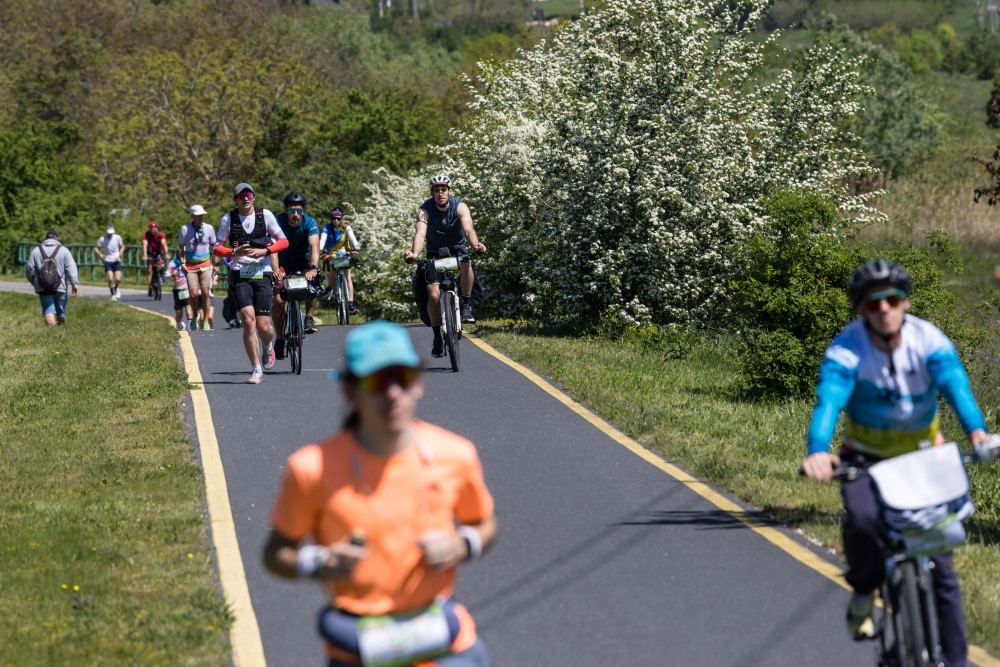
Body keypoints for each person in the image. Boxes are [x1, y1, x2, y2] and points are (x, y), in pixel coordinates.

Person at [262, 321, 497, 666]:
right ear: (350, 391)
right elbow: (275, 553)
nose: (392, 394)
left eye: (402, 378)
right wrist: (320, 562)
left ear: (418, 382)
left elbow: (485, 524)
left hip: (446, 647)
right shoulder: (310, 468)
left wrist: (462, 545)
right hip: (356, 647)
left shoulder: (455, 454)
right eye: (376, 381)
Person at [801, 259, 988, 666]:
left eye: (892, 299)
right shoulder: (847, 349)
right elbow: (829, 399)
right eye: (872, 304)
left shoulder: (928, 340)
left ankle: (955, 661)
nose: (883, 308)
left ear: (905, 302)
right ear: (861, 311)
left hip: (923, 457)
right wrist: (818, 448)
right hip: (866, 460)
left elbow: (954, 384)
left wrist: (976, 431)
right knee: (865, 525)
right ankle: (865, 589)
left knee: (942, 569)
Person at [403, 174, 486, 358]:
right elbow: (420, 234)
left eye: (443, 190)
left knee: (467, 262)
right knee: (433, 296)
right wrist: (414, 254)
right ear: (432, 193)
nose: (440, 193)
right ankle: (437, 338)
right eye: (436, 190)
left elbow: (468, 229)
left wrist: (475, 245)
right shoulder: (424, 210)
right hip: (435, 253)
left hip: (457, 250)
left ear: (450, 191)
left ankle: (465, 304)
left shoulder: (460, 206)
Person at [213, 183, 288, 384]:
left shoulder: (266, 216)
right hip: (240, 273)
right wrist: (232, 252)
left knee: (264, 326)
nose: (245, 198)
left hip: (262, 272)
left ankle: (268, 346)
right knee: (247, 320)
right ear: (236, 199)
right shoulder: (228, 218)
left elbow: (283, 241)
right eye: (241, 196)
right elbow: (217, 248)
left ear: (253, 197)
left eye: (248, 195)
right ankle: (256, 369)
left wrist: (265, 251)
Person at [270, 192, 321, 361]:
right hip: (283, 262)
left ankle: (308, 316)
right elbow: (273, 248)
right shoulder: (277, 221)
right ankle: (279, 339)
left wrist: (313, 268)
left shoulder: (310, 222)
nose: (296, 214)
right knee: (278, 300)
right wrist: (276, 270)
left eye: (299, 210)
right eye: (292, 210)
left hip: (302, 262)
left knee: (312, 283)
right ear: (286, 211)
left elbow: (314, 246)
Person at [25, 230, 79, 327]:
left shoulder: (36, 250)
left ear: (46, 239)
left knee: (48, 311)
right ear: (57, 239)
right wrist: (74, 284)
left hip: (43, 287)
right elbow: (72, 269)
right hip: (61, 287)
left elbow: (29, 269)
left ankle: (52, 336)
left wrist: (34, 282)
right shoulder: (64, 251)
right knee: (61, 313)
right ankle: (61, 335)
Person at [179, 205, 218, 330]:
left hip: (206, 265)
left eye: (202, 215)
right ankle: (194, 316)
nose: (201, 217)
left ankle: (205, 319)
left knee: (206, 293)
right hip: (191, 266)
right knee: (194, 294)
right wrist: (182, 263)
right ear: (192, 216)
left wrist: (215, 264)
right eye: (198, 215)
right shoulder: (185, 229)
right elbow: (181, 248)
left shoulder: (209, 228)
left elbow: (214, 247)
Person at [320, 207, 361, 315]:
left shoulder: (346, 227)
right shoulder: (327, 228)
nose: (336, 221)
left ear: (342, 218)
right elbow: (323, 239)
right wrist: (320, 248)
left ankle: (350, 304)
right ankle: (330, 288)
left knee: (348, 277)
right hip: (331, 254)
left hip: (344, 253)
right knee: (333, 266)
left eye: (338, 219)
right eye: (334, 218)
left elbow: (352, 238)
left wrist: (356, 245)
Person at [95, 225, 125, 301]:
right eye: (109, 233)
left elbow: (122, 246)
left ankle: (116, 288)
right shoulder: (102, 239)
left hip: (116, 260)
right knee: (110, 278)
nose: (110, 235)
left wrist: (119, 255)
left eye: (111, 233)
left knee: (118, 278)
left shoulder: (117, 237)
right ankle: (112, 294)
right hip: (108, 260)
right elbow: (96, 248)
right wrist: (100, 254)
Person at [142, 220, 169, 298]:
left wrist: (166, 253)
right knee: (150, 270)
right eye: (151, 229)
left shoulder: (160, 234)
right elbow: (145, 244)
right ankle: (150, 287)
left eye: (154, 229)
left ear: (156, 228)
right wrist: (144, 254)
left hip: (159, 254)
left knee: (161, 266)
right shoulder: (146, 235)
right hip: (150, 254)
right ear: (149, 229)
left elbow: (164, 244)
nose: (153, 230)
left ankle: (161, 276)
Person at [167, 249, 193, 331]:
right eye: (180, 252)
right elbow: (166, 275)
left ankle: (189, 324)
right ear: (177, 253)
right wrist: (172, 274)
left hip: (187, 288)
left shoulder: (190, 261)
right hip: (177, 289)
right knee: (179, 310)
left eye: (184, 252)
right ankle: (179, 323)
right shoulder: (173, 263)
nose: (182, 253)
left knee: (188, 306)